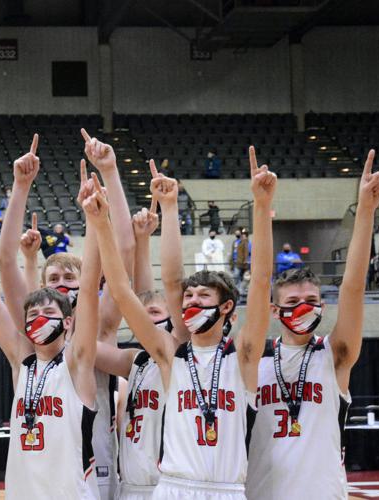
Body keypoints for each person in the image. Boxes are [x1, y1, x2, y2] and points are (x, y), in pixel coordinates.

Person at [95, 146, 276, 499]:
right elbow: (121, 288)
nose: (191, 302)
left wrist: (261, 207)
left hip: (227, 489)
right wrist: (103, 226)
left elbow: (261, 279)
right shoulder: (168, 355)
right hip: (173, 488)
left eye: (202, 298)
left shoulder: (243, 354)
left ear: (226, 309)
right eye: (188, 298)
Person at [247, 150, 379, 500]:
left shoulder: (335, 354)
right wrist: (262, 208)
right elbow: (260, 281)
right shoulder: (253, 358)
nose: (302, 309)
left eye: (310, 302)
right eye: (292, 303)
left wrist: (366, 211)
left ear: (322, 307)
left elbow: (353, 287)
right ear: (275, 311)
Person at [0, 166, 103, 499]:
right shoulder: (22, 362)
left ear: (67, 321)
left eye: (49, 313)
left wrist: (93, 219)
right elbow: (5, 262)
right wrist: (21, 186)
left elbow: (90, 287)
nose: (39, 318)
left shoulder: (77, 359)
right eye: (33, 314)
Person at [94, 161, 193, 499]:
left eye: (157, 312)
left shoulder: (182, 354)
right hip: (130, 487)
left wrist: (157, 225)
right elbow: (137, 300)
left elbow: (164, 288)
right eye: (143, 315)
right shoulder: (136, 361)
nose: (146, 317)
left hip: (170, 485)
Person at [230, 229, 251, 294]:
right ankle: (236, 291)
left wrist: (246, 260)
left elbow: (246, 252)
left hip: (244, 263)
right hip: (237, 262)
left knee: (245, 278)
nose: (242, 236)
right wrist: (231, 261)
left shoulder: (247, 242)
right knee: (236, 276)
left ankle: (242, 291)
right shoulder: (236, 242)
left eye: (243, 235)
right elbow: (233, 252)